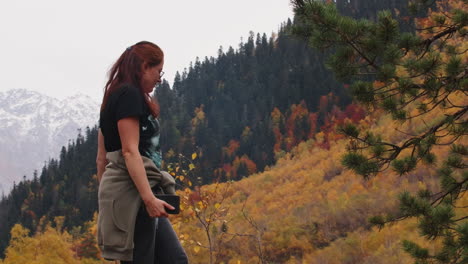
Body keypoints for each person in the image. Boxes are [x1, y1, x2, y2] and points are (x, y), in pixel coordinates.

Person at [96, 41, 188, 263]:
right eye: (158, 71)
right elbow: (129, 151)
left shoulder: (113, 95)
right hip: (133, 193)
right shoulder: (129, 94)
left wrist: (108, 202)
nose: (159, 78)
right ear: (145, 66)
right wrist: (147, 199)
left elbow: (101, 158)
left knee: (175, 259)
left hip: (137, 191)